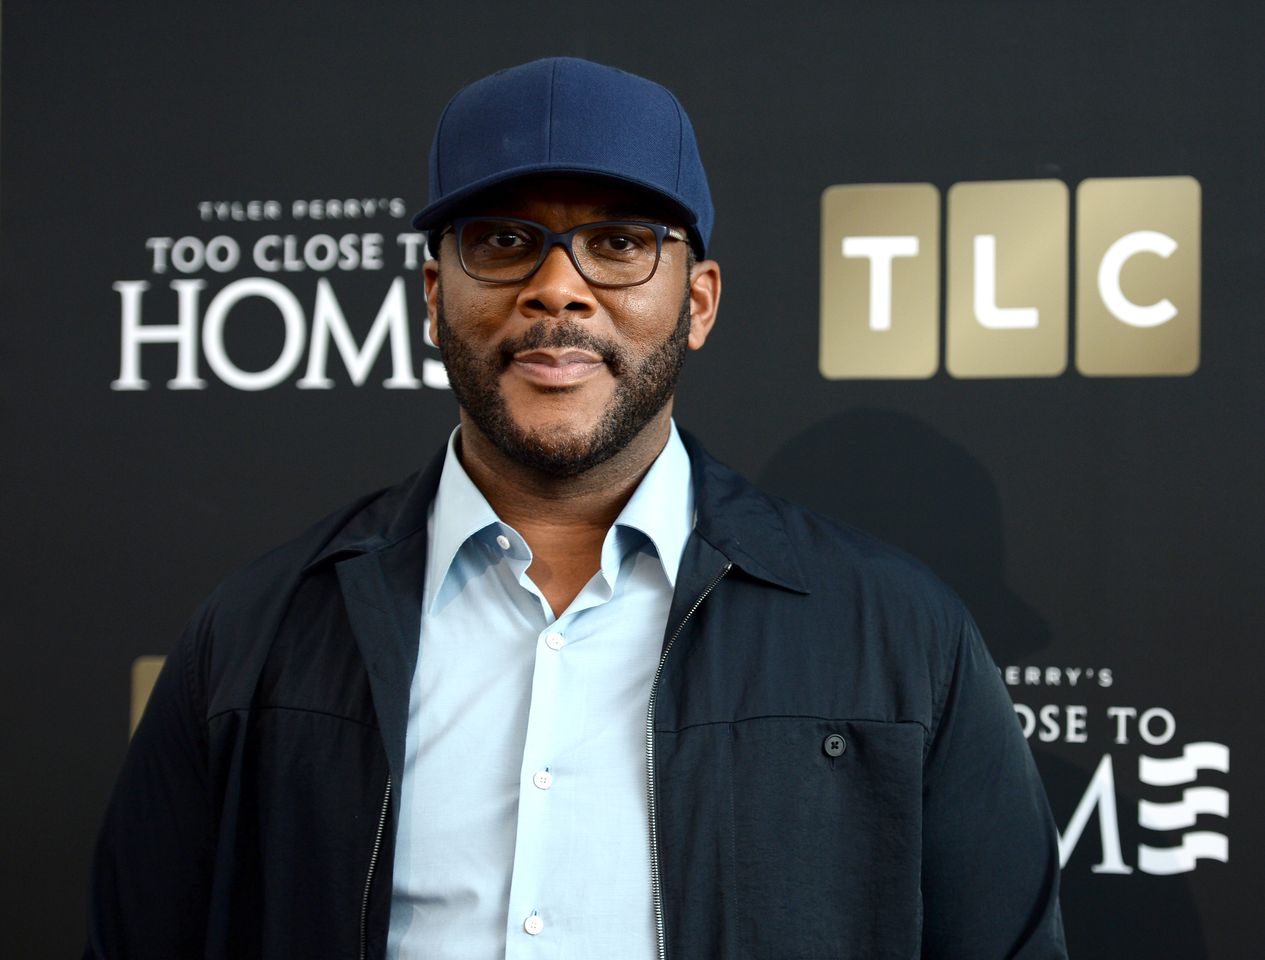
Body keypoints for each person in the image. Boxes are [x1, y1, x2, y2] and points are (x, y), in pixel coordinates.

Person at [85, 57, 1067, 959]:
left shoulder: (899, 636)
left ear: (698, 299)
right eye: (503, 241)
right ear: (432, 295)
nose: (558, 288)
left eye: (618, 243)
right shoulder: (256, 634)